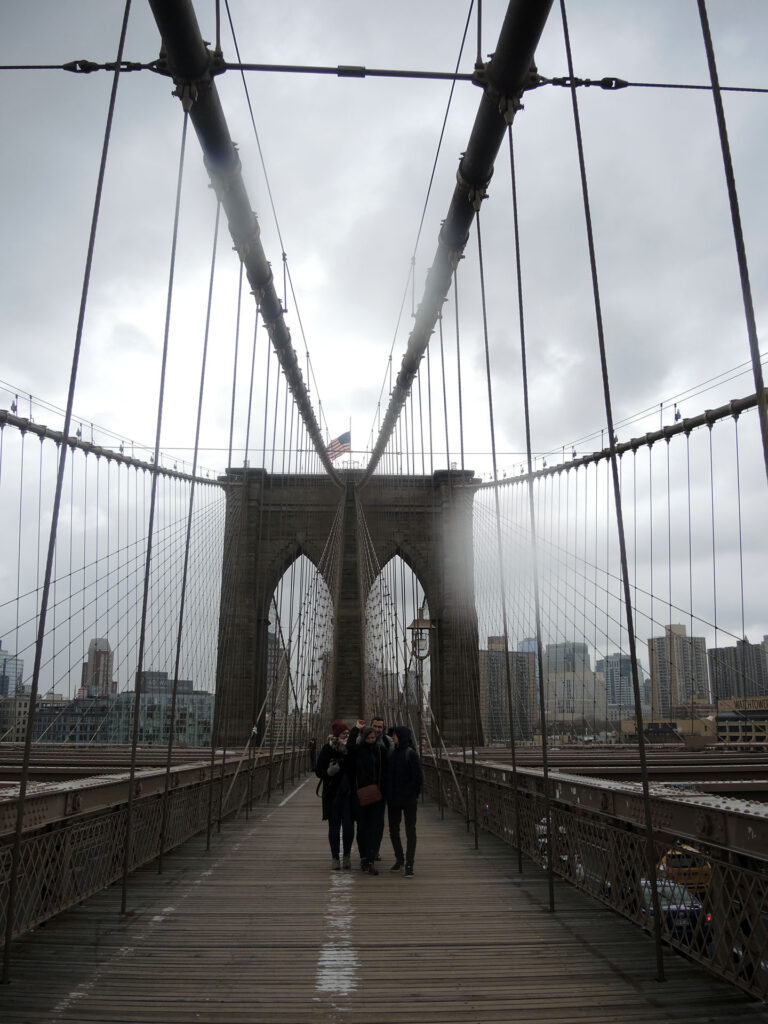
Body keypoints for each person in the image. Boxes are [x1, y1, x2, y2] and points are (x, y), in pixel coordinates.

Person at [315, 721, 354, 870]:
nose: (347, 735)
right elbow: (318, 771)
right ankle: (335, 858)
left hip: (348, 795)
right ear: (337, 734)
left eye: (348, 733)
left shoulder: (350, 749)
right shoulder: (327, 749)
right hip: (332, 796)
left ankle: (347, 856)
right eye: (344, 733)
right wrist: (329, 772)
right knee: (334, 828)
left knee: (349, 828)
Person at [350, 725, 387, 875]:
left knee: (373, 827)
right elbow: (350, 747)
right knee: (362, 828)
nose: (371, 740)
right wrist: (355, 729)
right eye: (369, 738)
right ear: (364, 738)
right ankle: (364, 857)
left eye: (374, 738)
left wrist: (383, 791)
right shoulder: (358, 750)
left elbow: (385, 771)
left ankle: (371, 860)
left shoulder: (380, 751)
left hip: (376, 796)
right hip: (361, 795)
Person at [387, 724, 423, 877]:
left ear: (401, 737)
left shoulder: (411, 754)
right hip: (394, 800)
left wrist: (410, 794)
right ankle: (399, 858)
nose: (393, 737)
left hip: (408, 800)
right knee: (393, 831)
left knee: (410, 831)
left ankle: (409, 863)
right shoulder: (392, 754)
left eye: (395, 735)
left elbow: (418, 779)